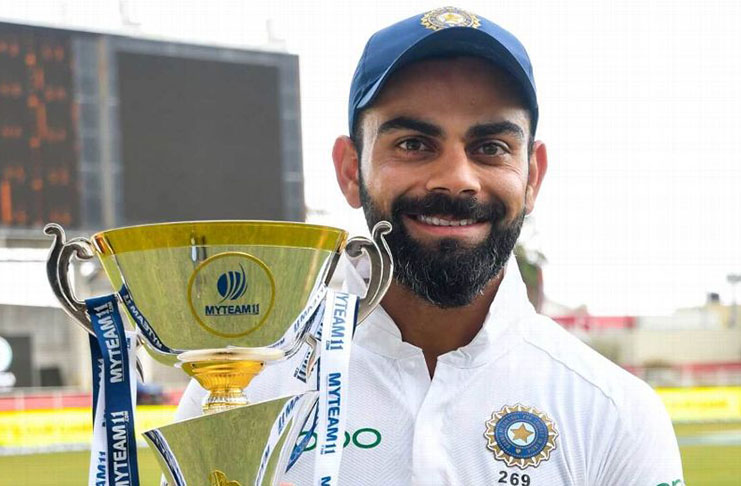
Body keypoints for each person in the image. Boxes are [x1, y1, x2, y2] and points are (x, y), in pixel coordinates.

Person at [176, 7, 685, 485]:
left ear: (532, 177)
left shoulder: (614, 411)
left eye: (491, 148)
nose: (457, 179)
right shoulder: (239, 388)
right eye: (414, 144)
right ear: (351, 171)